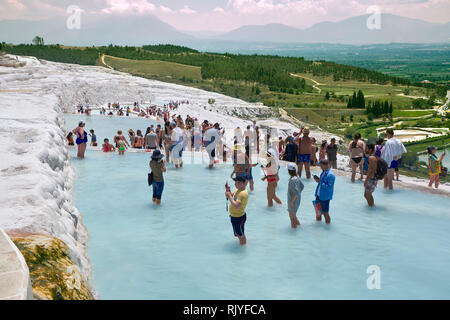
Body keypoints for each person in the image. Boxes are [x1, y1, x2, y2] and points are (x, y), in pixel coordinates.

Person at [225, 175, 248, 246]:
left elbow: (236, 206)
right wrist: (229, 192)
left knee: (241, 235)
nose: (235, 184)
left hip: (238, 217)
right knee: (239, 234)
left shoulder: (242, 193)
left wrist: (229, 196)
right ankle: (242, 244)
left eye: (238, 183)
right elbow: (233, 197)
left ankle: (243, 249)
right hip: (235, 216)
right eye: (235, 182)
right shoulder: (238, 190)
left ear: (244, 183)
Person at [314, 159, 335, 224]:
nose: (320, 167)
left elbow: (329, 187)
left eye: (320, 165)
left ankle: (327, 227)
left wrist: (320, 182)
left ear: (324, 165)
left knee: (325, 213)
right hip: (318, 195)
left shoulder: (330, 175)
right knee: (318, 212)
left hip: (325, 197)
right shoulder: (323, 171)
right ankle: (318, 227)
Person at [287, 162, 304, 229]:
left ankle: (293, 231)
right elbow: (302, 187)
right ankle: (299, 227)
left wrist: (291, 202)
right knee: (294, 216)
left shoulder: (292, 180)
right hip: (297, 200)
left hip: (293, 201)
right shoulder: (297, 177)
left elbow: (296, 193)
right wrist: (298, 195)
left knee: (292, 218)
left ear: (289, 171)